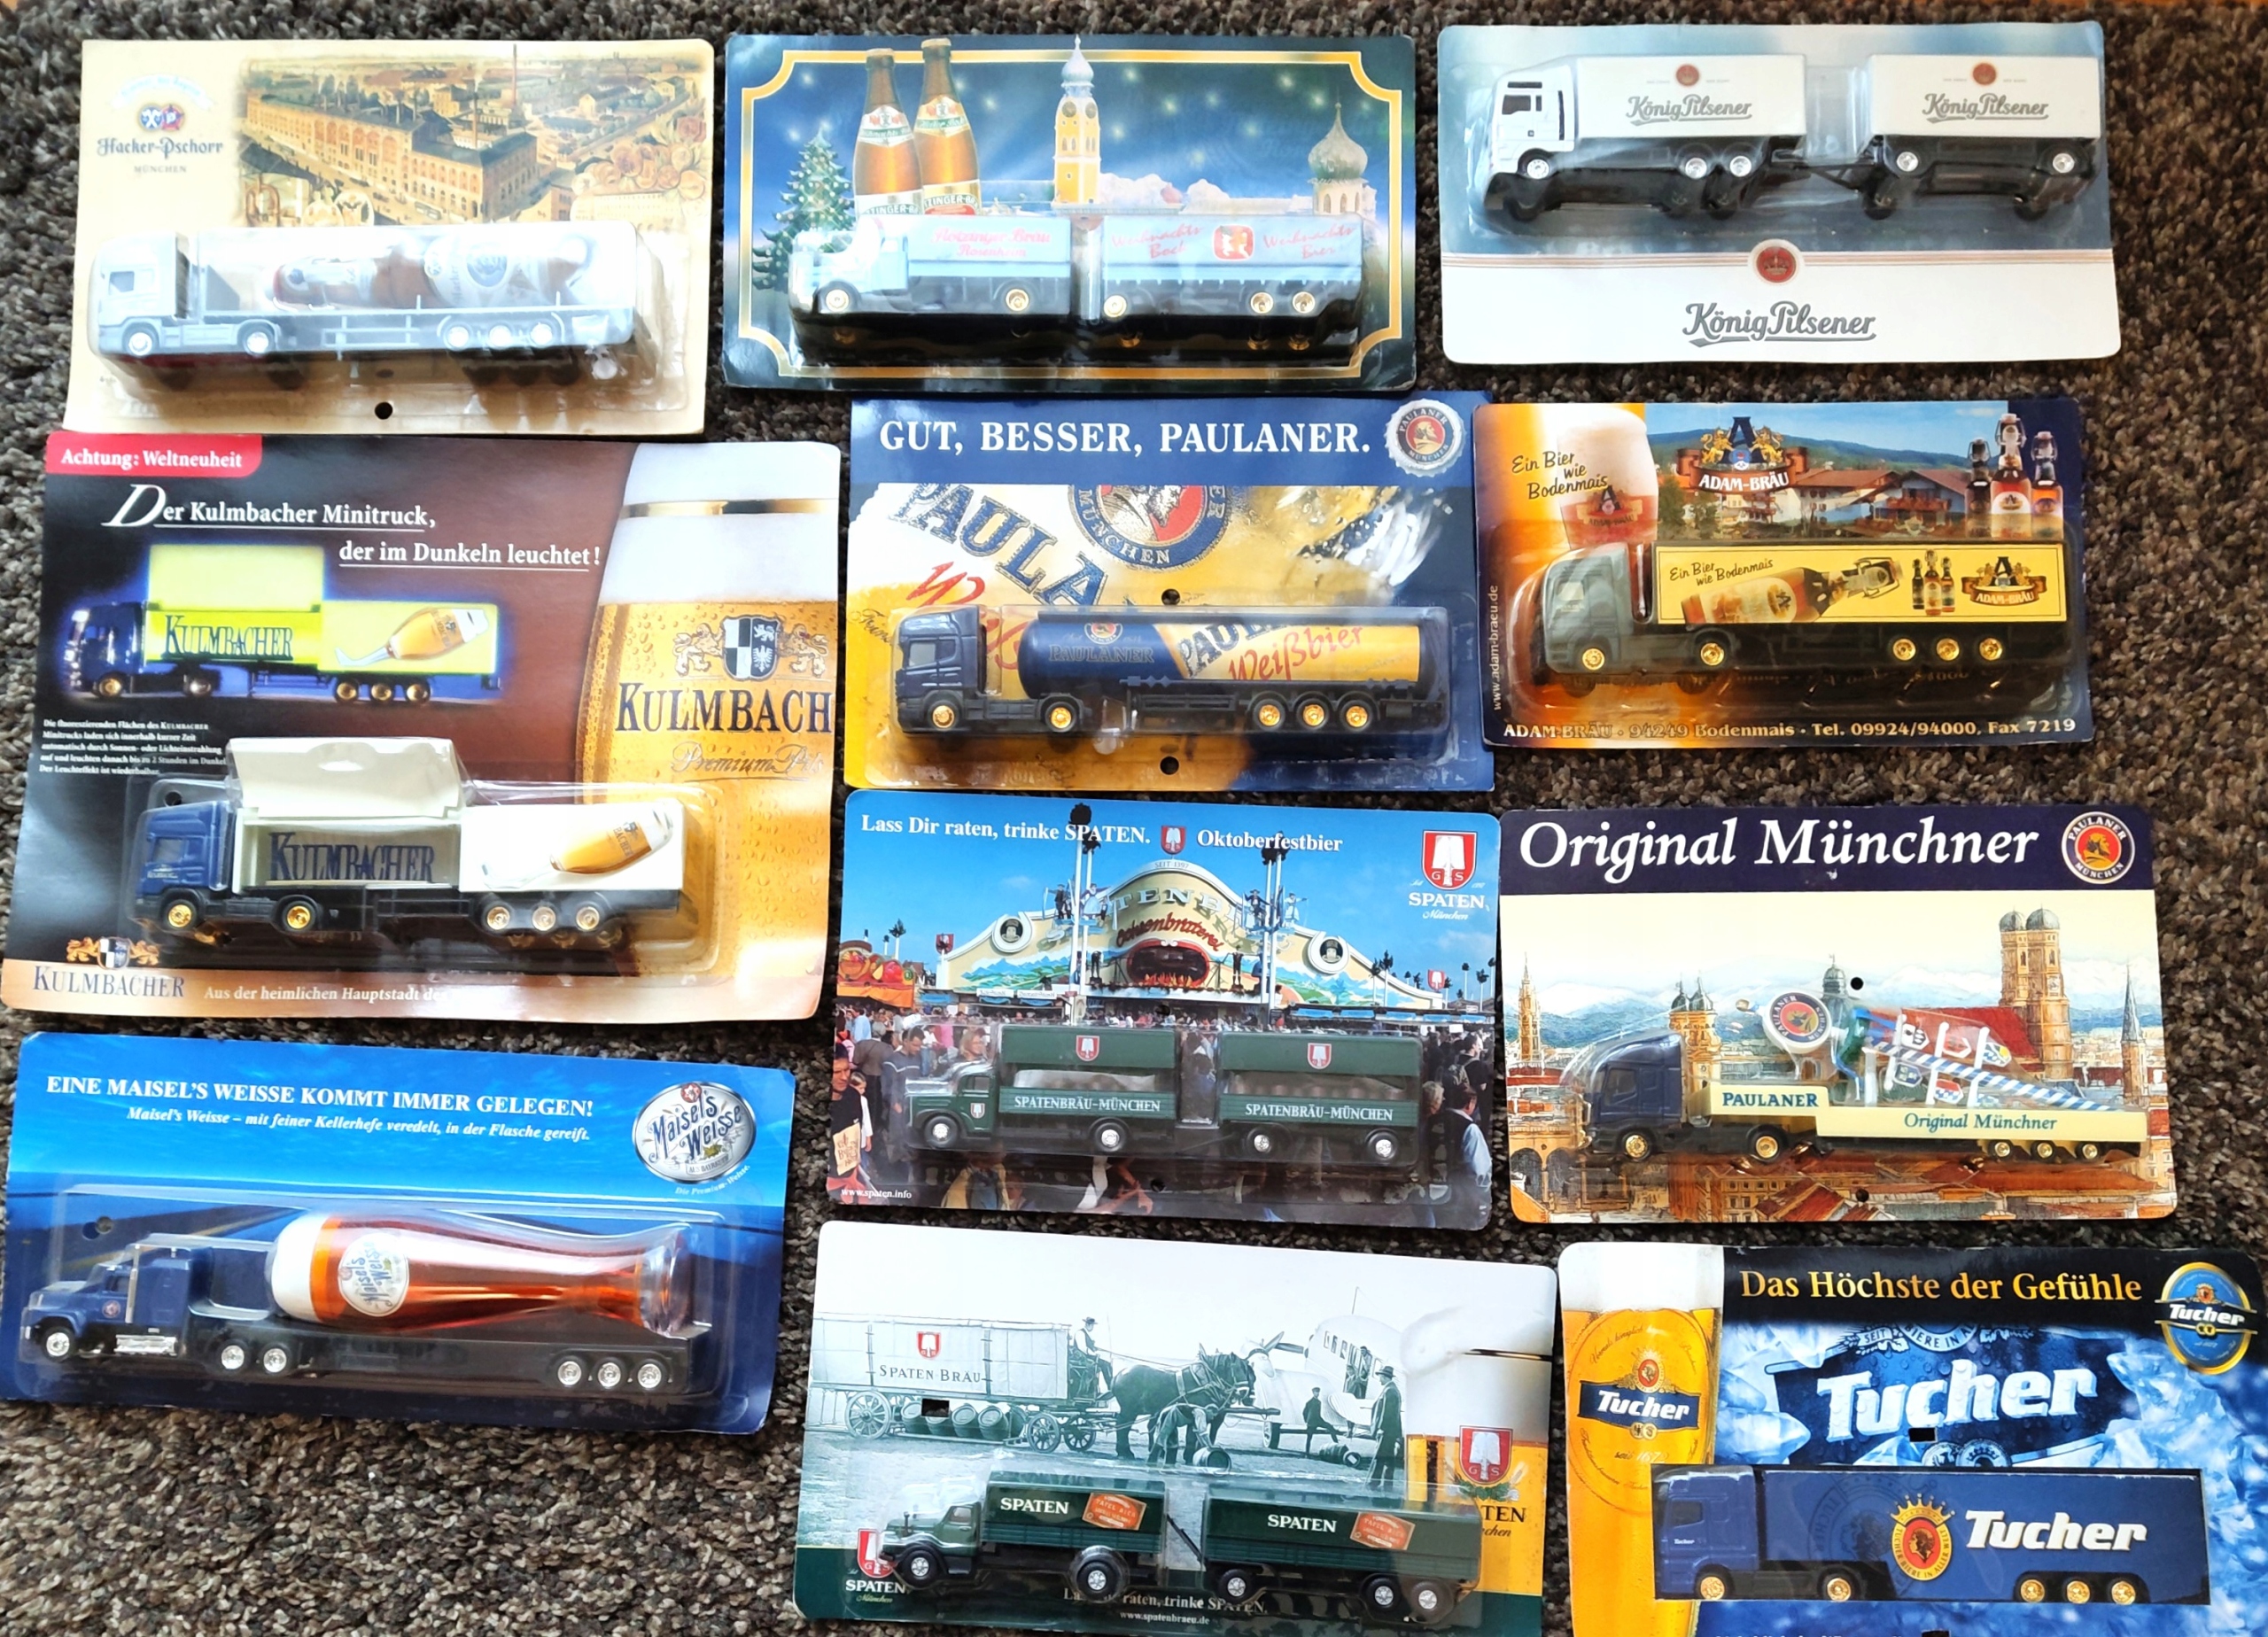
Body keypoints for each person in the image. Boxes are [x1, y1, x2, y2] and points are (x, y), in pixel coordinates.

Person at [1369, 1366, 1404, 1490]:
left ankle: (1374, 1483)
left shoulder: (1390, 1391)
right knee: (1388, 1458)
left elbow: (1388, 1413)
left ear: (1384, 1377)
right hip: (1389, 1431)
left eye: (1380, 1377)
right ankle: (1387, 1484)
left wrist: (1381, 1428)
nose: (1379, 1380)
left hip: (1387, 1431)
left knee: (1380, 1457)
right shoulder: (1390, 1389)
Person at [1301, 1387, 1331, 1455]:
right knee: (1309, 1438)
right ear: (1313, 1393)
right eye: (1316, 1392)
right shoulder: (1309, 1402)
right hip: (1311, 1423)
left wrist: (1322, 1421)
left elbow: (1318, 1414)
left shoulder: (1319, 1402)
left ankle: (1336, 1444)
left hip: (1318, 1421)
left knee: (1330, 1426)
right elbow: (1304, 1412)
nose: (1317, 1394)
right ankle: (1307, 1453)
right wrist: (1307, 1421)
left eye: (1318, 1392)